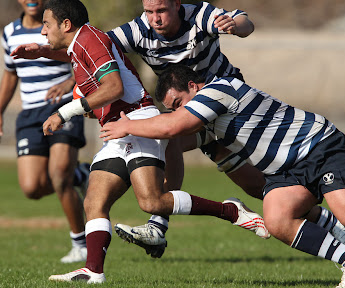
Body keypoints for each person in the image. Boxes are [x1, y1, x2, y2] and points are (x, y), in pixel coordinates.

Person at [10, 0, 345, 258]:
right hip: (186, 109)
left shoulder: (198, 15)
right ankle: (327, 223)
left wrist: (236, 25)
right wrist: (43, 51)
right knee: (249, 183)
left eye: (161, 10)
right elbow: (95, 47)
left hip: (229, 108)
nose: (155, 18)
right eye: (149, 10)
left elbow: (244, 22)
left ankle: (159, 226)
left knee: (191, 149)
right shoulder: (139, 28)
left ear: (178, 5)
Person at [99, 64, 345, 288]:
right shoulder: (206, 118)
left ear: (193, 85)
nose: (179, 110)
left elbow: (170, 127)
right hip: (286, 171)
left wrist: (129, 127)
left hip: (317, 145)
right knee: (277, 220)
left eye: (179, 103)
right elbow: (174, 137)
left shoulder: (219, 90)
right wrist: (134, 147)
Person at [32, 0, 267, 283]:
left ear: (66, 25)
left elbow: (114, 86)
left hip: (216, 108)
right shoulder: (87, 46)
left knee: (154, 201)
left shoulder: (92, 39)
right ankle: (93, 271)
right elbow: (103, 81)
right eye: (148, 11)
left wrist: (64, 112)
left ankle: (232, 211)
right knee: (94, 201)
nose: (43, 31)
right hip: (125, 127)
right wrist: (42, 54)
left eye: (46, 25)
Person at [0, 0, 88, 263]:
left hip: (63, 107)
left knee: (59, 175)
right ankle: (82, 174)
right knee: (31, 187)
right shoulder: (9, 33)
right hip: (29, 114)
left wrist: (69, 82)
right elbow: (10, 74)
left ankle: (80, 244)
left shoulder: (61, 23)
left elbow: (83, 57)